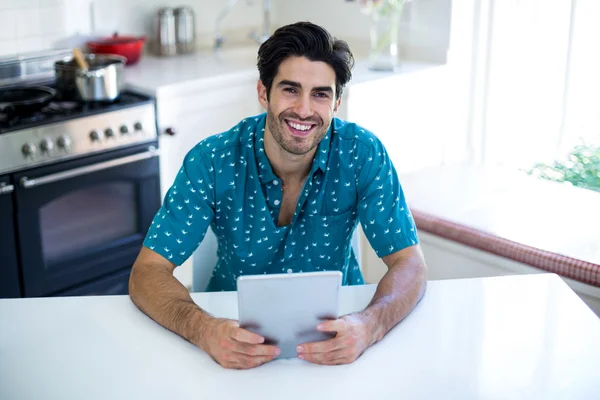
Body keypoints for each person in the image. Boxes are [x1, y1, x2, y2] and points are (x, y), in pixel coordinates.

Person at [129, 21, 427, 369]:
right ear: (263, 92)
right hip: (230, 331)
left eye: (320, 94)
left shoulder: (363, 153)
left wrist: (369, 325)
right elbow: (147, 272)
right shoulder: (211, 160)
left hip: (340, 333)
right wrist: (203, 329)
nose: (303, 109)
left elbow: (410, 264)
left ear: (336, 103)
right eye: (290, 89)